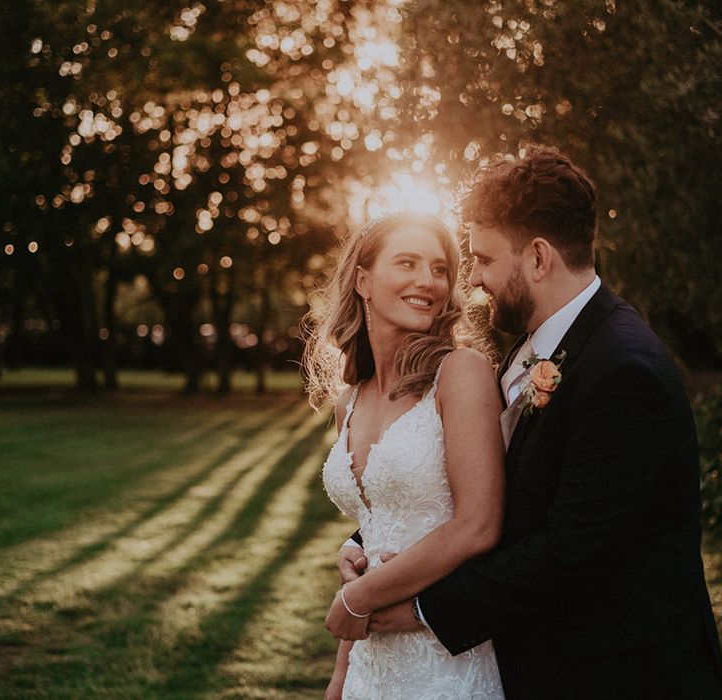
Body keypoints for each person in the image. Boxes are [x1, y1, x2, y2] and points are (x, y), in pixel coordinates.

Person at [339, 146, 722, 699]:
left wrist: (421, 609)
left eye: (485, 260)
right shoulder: (531, 350)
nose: (471, 281)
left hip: (620, 673)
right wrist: (367, 542)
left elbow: (571, 552)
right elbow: (478, 483)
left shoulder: (623, 370)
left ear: (538, 258)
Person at [303, 211, 506, 698]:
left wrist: (357, 597)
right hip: (370, 667)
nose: (427, 282)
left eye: (440, 269)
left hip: (446, 663)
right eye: (408, 263)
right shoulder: (350, 400)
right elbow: (376, 537)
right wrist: (339, 677)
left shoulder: (461, 373)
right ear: (363, 280)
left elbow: (478, 525)